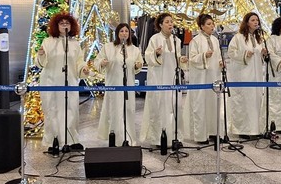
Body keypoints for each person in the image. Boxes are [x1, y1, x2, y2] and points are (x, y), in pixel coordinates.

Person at [36, 12, 90, 151]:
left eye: (67, 23)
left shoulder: (75, 44)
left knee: (70, 109)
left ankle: (71, 140)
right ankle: (53, 141)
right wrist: (40, 55)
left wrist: (83, 69)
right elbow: (41, 62)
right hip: (51, 82)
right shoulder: (48, 42)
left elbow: (79, 62)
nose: (64, 25)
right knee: (52, 110)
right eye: (62, 23)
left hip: (70, 82)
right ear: (56, 25)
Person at [140, 13, 188, 147]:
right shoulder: (154, 39)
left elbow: (176, 59)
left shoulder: (176, 40)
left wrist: (182, 60)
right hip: (159, 79)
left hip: (173, 79)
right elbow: (148, 57)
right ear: (160, 24)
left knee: (175, 107)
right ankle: (159, 139)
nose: (170, 24)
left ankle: (175, 137)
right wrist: (156, 54)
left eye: (171, 22)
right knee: (160, 107)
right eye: (167, 22)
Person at [93, 23, 143, 146]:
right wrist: (102, 63)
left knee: (129, 110)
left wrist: (137, 65)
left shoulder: (134, 49)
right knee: (114, 110)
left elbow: (139, 63)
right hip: (113, 85)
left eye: (126, 31)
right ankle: (114, 137)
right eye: (121, 31)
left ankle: (128, 138)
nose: (124, 33)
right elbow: (97, 61)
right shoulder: (108, 47)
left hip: (128, 85)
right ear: (117, 34)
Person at [182, 14, 222, 144]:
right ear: (202, 26)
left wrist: (221, 62)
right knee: (200, 104)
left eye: (212, 23)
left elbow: (219, 56)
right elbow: (192, 58)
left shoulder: (215, 40)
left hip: (213, 76)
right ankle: (201, 135)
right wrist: (204, 55)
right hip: (200, 77)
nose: (212, 26)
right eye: (209, 24)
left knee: (213, 103)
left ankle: (213, 132)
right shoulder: (196, 41)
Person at [227, 11, 267, 137]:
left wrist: (263, 53)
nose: (256, 22)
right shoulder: (238, 37)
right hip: (243, 75)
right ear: (247, 23)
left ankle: (256, 129)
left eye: (257, 20)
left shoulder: (258, 38)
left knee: (256, 101)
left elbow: (259, 55)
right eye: (253, 20)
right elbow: (231, 53)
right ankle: (243, 130)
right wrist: (244, 55)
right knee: (244, 101)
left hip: (257, 76)